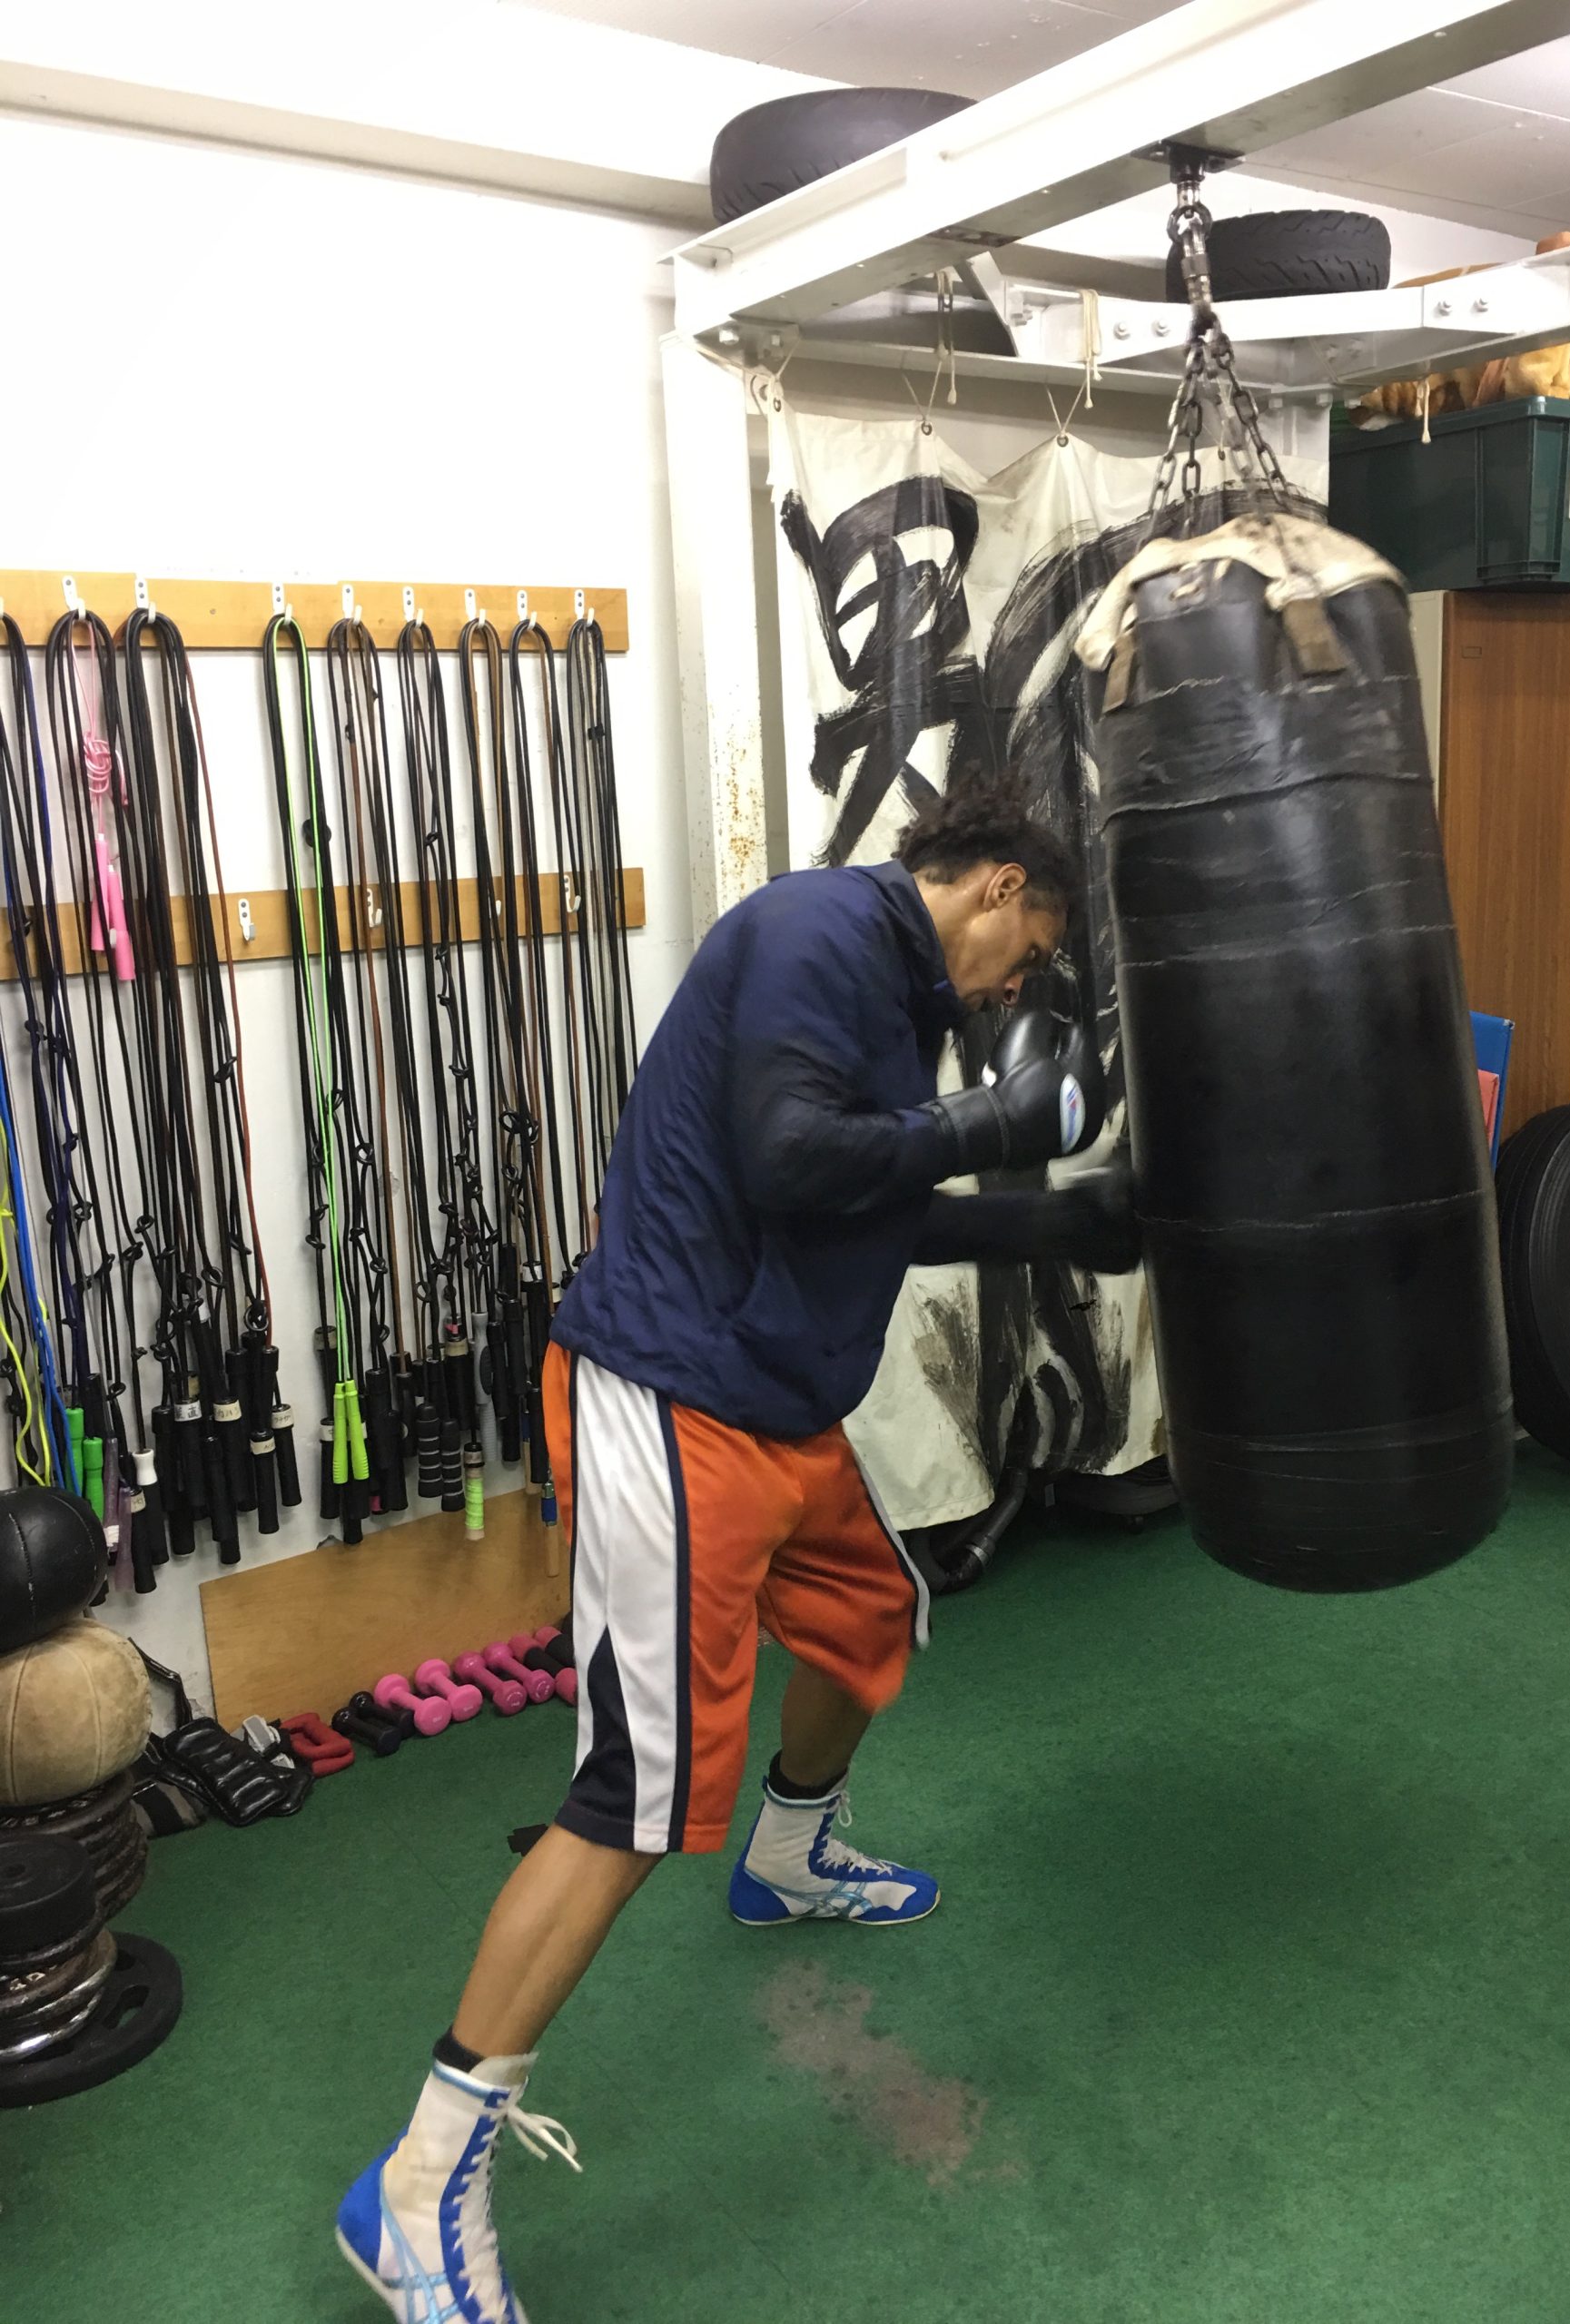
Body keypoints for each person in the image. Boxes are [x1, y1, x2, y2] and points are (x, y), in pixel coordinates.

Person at [338, 782, 1139, 2322]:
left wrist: (1064, 1219)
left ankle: (789, 1860)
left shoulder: (898, 1001)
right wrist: (996, 1126)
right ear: (990, 884)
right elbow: (789, 1159)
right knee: (634, 1797)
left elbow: (866, 1201)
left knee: (869, 1619)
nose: (1014, 991)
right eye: (1029, 952)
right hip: (674, 1393)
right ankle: (420, 2186)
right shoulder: (815, 930)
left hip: (775, 1407)